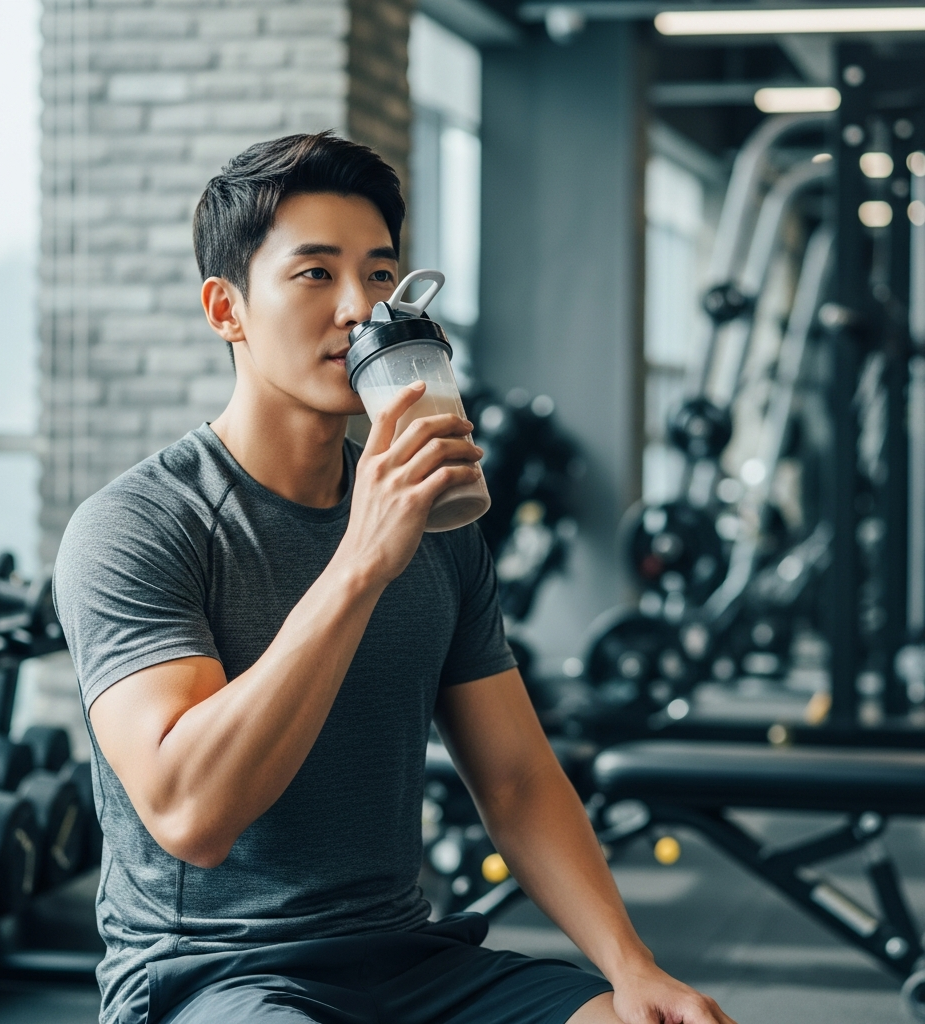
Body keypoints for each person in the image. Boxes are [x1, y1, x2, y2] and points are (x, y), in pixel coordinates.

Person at [54, 131, 736, 1024]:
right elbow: (191, 814)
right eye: (314, 275)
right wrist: (361, 560)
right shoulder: (138, 526)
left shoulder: (440, 521)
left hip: (405, 959)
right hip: (215, 975)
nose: (359, 309)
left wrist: (633, 965)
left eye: (379, 276)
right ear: (226, 309)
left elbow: (517, 779)